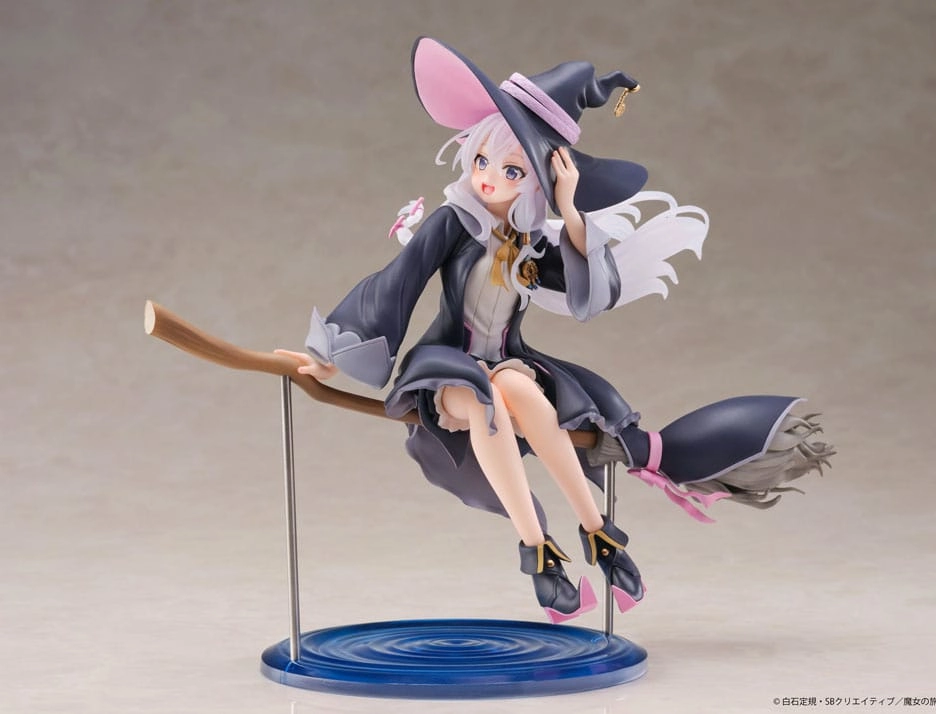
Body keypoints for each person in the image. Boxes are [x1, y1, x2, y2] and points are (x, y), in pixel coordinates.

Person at [277, 37, 832, 623]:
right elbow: (397, 280)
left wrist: (569, 210)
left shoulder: (530, 242)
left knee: (516, 389)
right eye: (483, 160)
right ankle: (538, 550)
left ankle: (597, 534)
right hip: (445, 369)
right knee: (489, 398)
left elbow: (590, 293)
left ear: (539, 182)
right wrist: (333, 352)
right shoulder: (453, 223)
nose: (489, 179)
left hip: (507, 365)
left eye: (512, 170)